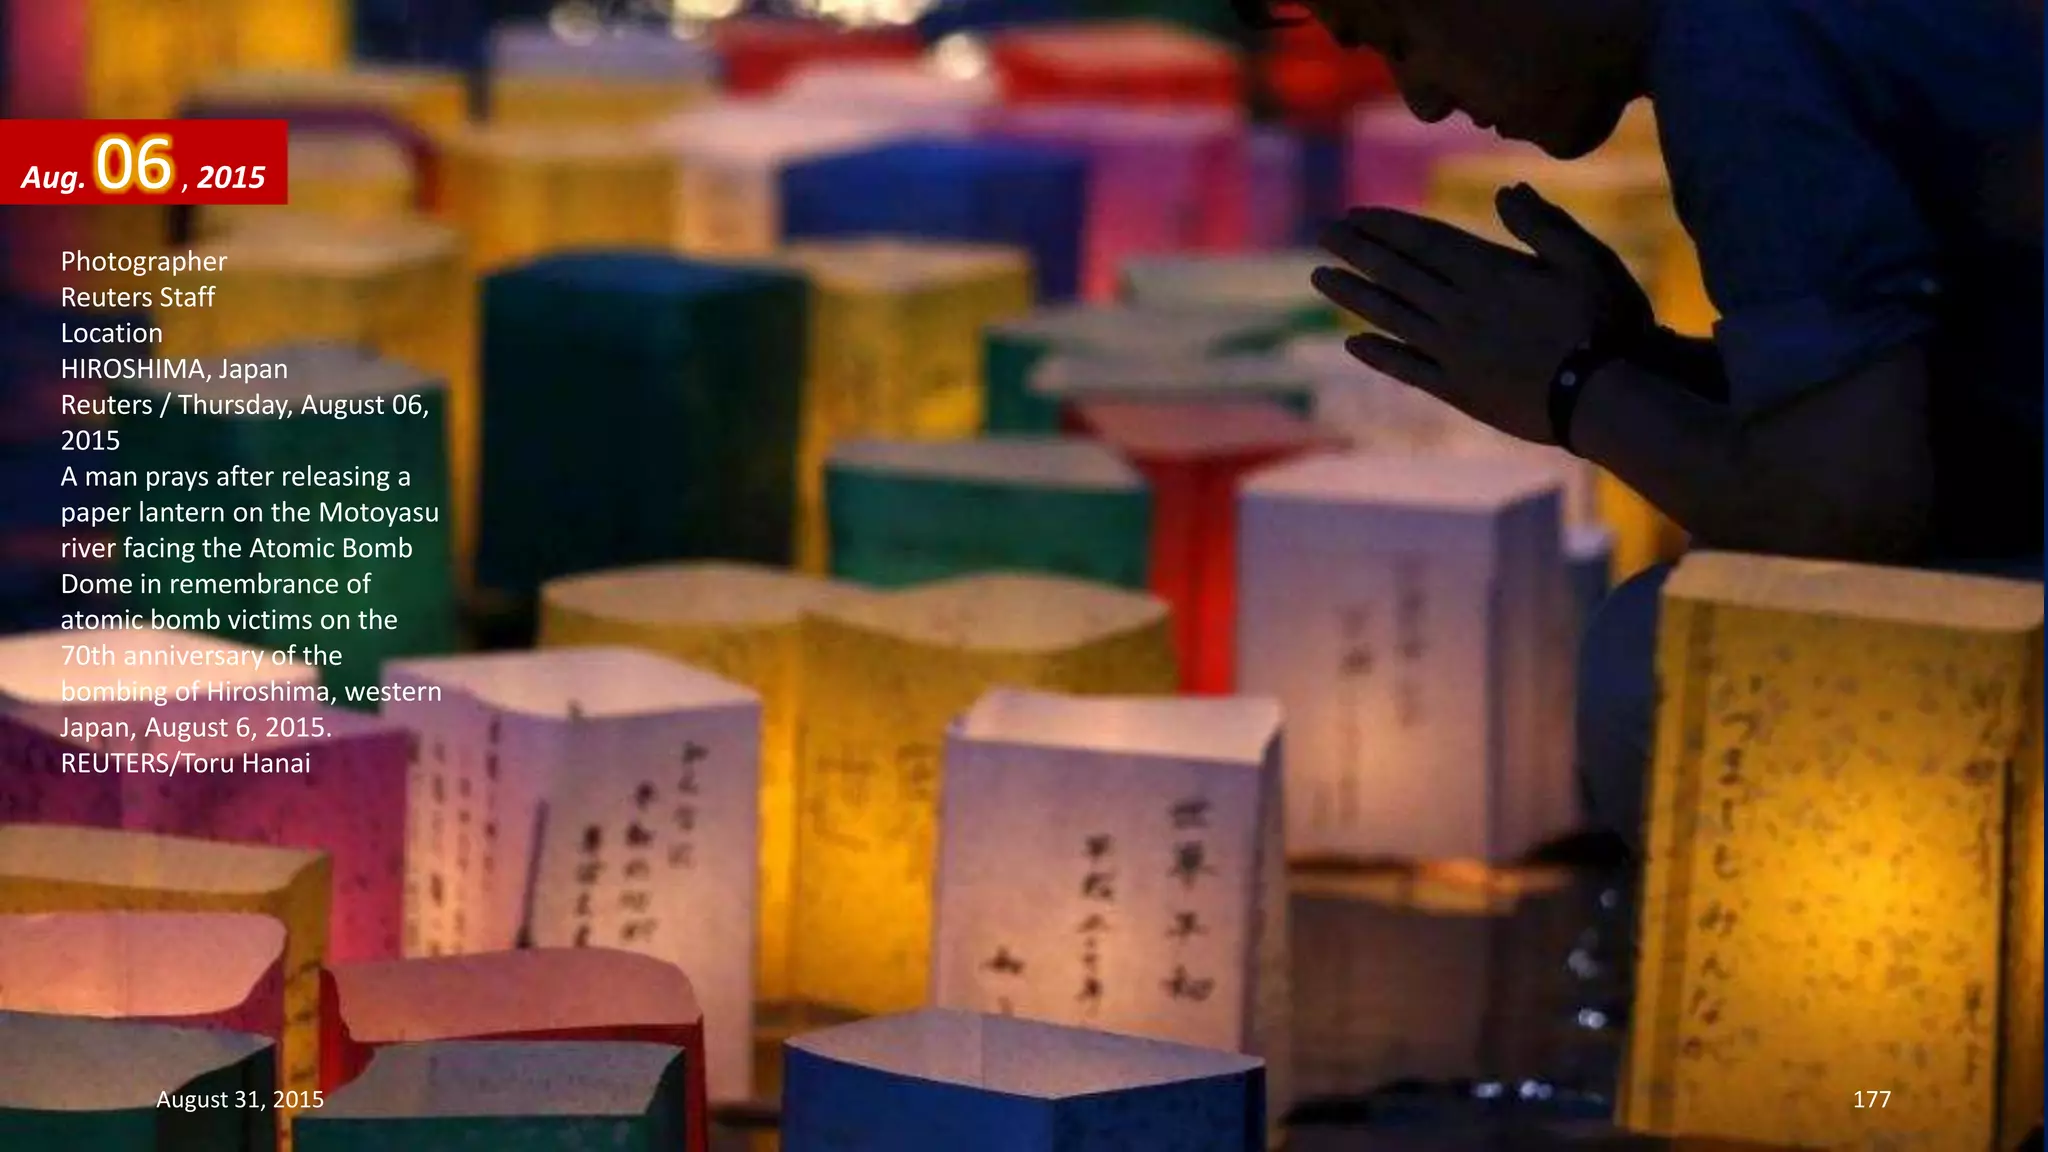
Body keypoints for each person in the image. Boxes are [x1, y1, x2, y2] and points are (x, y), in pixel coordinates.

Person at [1262, 0, 2044, 854]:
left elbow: (1846, 509)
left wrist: (1575, 390)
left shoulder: (1741, 51)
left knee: (1665, 671)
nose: (1420, 99)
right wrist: (1636, 366)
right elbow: (1930, 420)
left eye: (1401, 36)